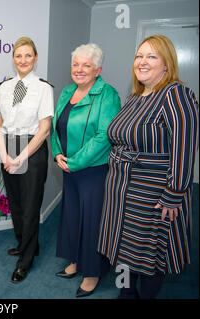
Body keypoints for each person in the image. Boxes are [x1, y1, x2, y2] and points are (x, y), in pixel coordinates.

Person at [98, 34, 199, 299]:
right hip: (119, 190)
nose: (142, 61)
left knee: (148, 257)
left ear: (167, 64)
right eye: (139, 56)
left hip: (151, 194)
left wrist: (174, 194)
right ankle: (125, 294)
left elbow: (185, 149)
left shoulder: (176, 94)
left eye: (152, 56)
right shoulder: (135, 97)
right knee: (121, 250)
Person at [50, 43, 121, 297]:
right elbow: (55, 127)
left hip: (93, 170)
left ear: (98, 69)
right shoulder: (67, 91)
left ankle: (92, 272)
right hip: (67, 166)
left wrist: (75, 162)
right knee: (71, 216)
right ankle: (75, 262)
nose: (79, 70)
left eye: (86, 65)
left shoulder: (108, 94)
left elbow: (105, 136)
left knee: (92, 221)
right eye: (75, 64)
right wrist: (57, 153)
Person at [0, 37, 54, 283]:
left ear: (35, 58)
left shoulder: (43, 88)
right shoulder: (5, 88)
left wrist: (20, 156)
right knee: (16, 203)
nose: (23, 60)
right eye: (19, 56)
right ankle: (25, 244)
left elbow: (44, 129)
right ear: (13, 59)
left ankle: (25, 261)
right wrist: (5, 154)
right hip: (8, 147)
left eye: (28, 55)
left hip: (32, 148)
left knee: (30, 207)